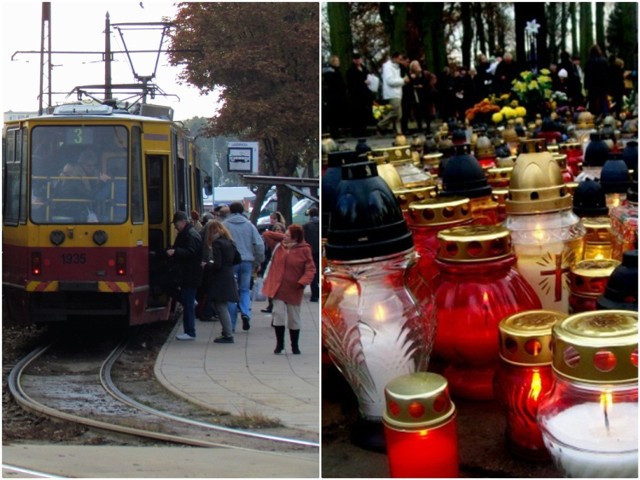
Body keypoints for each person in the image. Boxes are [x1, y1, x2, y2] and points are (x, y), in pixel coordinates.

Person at [262, 224, 316, 354]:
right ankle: (279, 344)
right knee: (278, 314)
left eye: (288, 235)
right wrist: (285, 236)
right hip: (278, 286)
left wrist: (303, 282)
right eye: (285, 234)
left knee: (294, 318)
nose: (285, 237)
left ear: (296, 238)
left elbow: (310, 268)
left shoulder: (305, 249)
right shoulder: (279, 246)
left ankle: (294, 345)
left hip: (294, 287)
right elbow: (266, 234)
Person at [223, 201, 265, 332]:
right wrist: (258, 261)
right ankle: (246, 312)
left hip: (231, 263)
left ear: (230, 211)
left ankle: (232, 324)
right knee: (245, 290)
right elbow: (259, 245)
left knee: (231, 293)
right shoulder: (249, 225)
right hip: (247, 261)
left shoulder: (225, 225)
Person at [167, 211, 203, 341]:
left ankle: (190, 331)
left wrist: (175, 251)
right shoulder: (189, 233)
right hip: (189, 273)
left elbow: (191, 252)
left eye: (176, 224)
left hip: (190, 274)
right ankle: (189, 330)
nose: (175, 226)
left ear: (183, 222)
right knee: (187, 300)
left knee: (188, 304)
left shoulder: (190, 235)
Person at [202, 220, 239, 344]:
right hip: (228, 274)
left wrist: (207, 265)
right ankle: (227, 331)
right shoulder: (230, 242)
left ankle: (228, 334)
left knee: (220, 305)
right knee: (220, 304)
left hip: (220, 278)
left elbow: (217, 264)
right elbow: (238, 258)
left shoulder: (217, 243)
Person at [377, 52, 408, 135]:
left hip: (397, 92)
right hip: (392, 93)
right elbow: (390, 81)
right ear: (394, 58)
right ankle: (381, 125)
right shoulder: (388, 67)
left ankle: (399, 132)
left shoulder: (397, 67)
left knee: (399, 115)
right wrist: (403, 81)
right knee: (395, 112)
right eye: (399, 59)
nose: (400, 61)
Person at [260, 214, 287, 314]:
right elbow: (266, 234)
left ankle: (276, 307)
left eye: (280, 230)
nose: (278, 232)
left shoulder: (287, 242)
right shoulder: (275, 242)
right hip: (274, 266)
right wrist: (285, 236)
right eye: (276, 230)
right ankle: (272, 306)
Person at [346, 53, 374, 137]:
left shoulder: (364, 69)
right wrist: (363, 82)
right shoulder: (350, 71)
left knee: (364, 113)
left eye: (359, 59)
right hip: (356, 96)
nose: (358, 60)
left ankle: (364, 130)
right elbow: (352, 84)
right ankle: (357, 132)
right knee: (357, 114)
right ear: (353, 60)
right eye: (356, 59)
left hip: (365, 94)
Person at [322, 55, 348, 138]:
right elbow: (338, 84)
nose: (339, 62)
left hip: (333, 96)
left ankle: (335, 132)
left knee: (334, 116)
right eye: (337, 61)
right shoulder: (333, 73)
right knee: (334, 116)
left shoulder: (329, 72)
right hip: (334, 97)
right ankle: (335, 133)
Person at [584, 44, 609, 119]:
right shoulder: (604, 60)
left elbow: (587, 75)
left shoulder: (588, 62)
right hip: (602, 84)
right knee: (603, 99)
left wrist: (586, 86)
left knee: (592, 101)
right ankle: (605, 115)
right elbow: (607, 73)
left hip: (592, 84)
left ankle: (592, 116)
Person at [302, 206, 320, 303]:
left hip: (311, 251)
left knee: (312, 272)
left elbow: (304, 240)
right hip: (320, 251)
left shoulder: (307, 226)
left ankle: (315, 295)